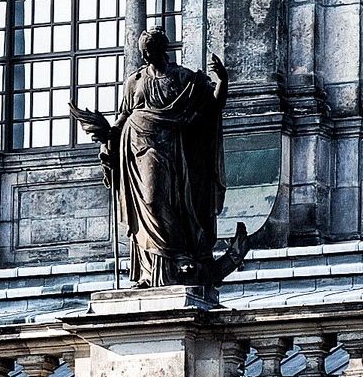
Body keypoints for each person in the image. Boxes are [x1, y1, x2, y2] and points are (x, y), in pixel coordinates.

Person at [75, 29, 246, 288]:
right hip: (137, 147)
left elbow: (212, 107)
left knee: (169, 202)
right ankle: (152, 269)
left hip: (174, 150)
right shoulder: (135, 80)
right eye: (144, 52)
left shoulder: (182, 77)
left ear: (161, 50)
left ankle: (179, 257)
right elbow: (123, 118)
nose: (146, 56)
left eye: (151, 51)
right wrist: (106, 138)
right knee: (149, 203)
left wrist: (222, 80)